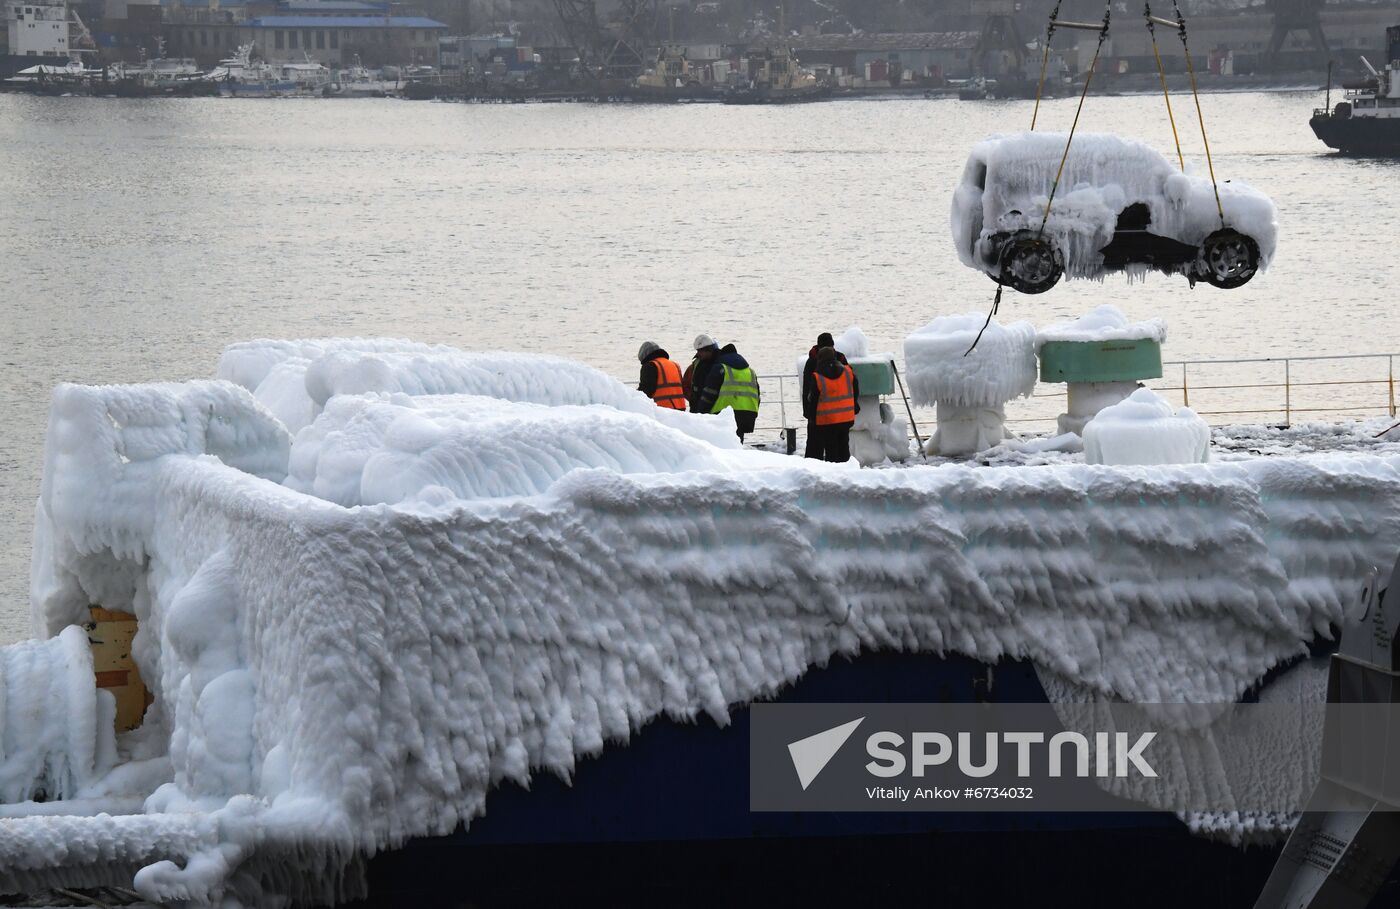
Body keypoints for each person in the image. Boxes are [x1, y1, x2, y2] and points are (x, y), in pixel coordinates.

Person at [803, 346, 860, 462]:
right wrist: (854, 406)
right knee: (844, 446)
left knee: (831, 449)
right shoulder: (848, 371)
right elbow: (855, 390)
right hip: (846, 417)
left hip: (827, 420)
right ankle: (846, 468)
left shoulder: (817, 376)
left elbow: (813, 400)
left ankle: (833, 469)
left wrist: (812, 418)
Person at [696, 342, 760, 441]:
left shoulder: (720, 368)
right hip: (748, 413)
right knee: (737, 442)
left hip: (723, 414)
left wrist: (701, 414)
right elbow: (757, 396)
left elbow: (709, 394)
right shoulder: (751, 371)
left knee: (722, 444)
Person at [800, 333, 849, 458]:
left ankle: (815, 466)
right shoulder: (840, 359)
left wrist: (808, 411)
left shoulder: (813, 361)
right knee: (837, 449)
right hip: (837, 413)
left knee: (817, 448)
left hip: (822, 412)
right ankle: (841, 467)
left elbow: (807, 389)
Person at [636, 341, 687, 411]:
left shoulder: (650, 366)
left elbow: (646, 390)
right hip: (680, 408)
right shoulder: (675, 365)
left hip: (662, 410)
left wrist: (634, 397)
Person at [684, 334, 720, 410]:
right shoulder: (695, 366)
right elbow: (685, 385)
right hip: (697, 407)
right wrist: (692, 399)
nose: (698, 353)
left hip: (715, 408)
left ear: (709, 350)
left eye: (700, 351)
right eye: (697, 351)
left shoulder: (720, 365)